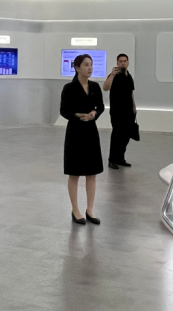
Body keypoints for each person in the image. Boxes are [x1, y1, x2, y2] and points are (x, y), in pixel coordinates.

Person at [60, 54, 105, 225]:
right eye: (86, 65)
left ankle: (90, 209)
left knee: (92, 172)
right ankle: (75, 209)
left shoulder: (95, 86)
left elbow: (100, 107)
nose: (90, 68)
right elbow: (64, 110)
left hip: (91, 131)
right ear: (77, 67)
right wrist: (78, 116)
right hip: (75, 132)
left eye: (91, 65)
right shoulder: (69, 88)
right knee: (74, 172)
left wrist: (94, 113)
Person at [103, 53, 137, 170]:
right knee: (117, 136)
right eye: (120, 61)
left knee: (126, 136)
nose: (123, 63)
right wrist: (112, 74)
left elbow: (131, 93)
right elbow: (105, 87)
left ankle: (120, 158)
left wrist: (134, 107)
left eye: (125, 61)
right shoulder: (114, 75)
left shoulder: (129, 76)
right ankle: (112, 160)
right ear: (117, 63)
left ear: (128, 62)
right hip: (117, 111)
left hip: (129, 111)